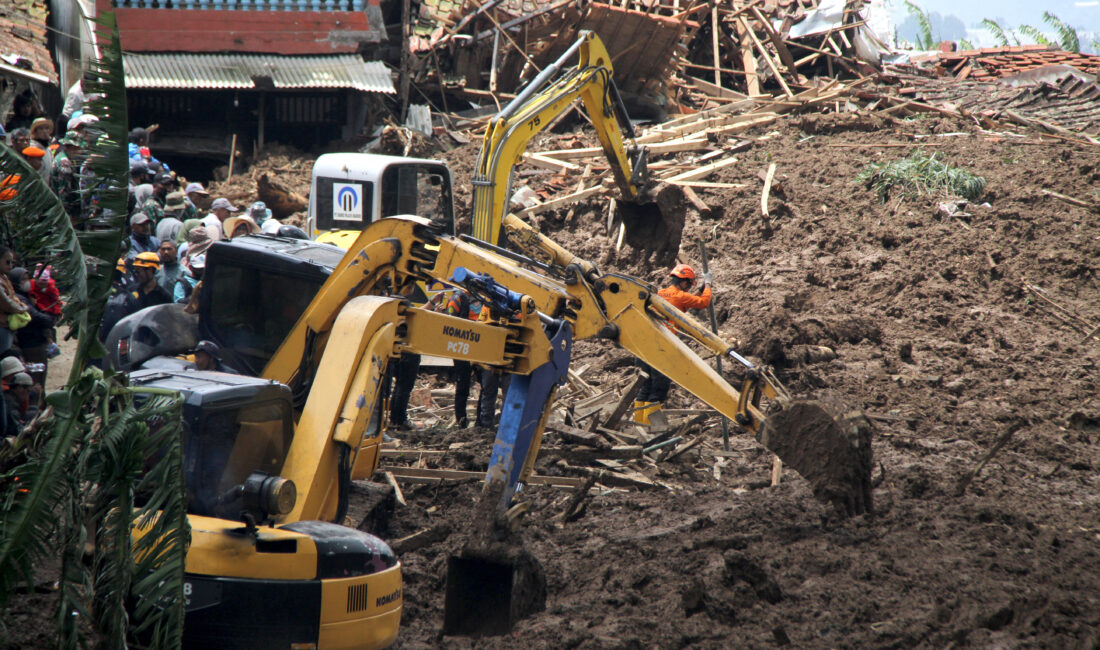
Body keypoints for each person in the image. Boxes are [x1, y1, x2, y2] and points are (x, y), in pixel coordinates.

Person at [634, 263, 712, 424]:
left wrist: (701, 288)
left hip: (642, 345)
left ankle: (639, 425)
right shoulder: (680, 296)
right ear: (684, 282)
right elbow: (703, 302)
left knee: (646, 386)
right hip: (660, 347)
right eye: (689, 284)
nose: (689, 288)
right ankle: (651, 428)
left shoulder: (661, 294)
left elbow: (684, 304)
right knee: (659, 388)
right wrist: (709, 285)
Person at [8, 267, 54, 388]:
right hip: (31, 344)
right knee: (36, 380)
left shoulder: (27, 296)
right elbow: (36, 317)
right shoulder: (20, 298)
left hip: (34, 342)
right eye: (23, 280)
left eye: (27, 279)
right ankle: (36, 404)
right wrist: (49, 319)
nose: (27, 282)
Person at [446, 289, 481, 428]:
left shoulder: (483, 299)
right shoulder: (457, 298)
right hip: (462, 346)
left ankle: (480, 421)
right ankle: (461, 420)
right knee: (463, 386)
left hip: (478, 345)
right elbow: (450, 320)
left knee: (485, 385)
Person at [0, 247, 29, 353]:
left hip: (7, 323)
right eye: (8, 262)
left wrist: (20, 305)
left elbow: (13, 296)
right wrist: (23, 308)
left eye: (12, 262)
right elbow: (6, 302)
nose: (10, 265)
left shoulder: (4, 277)